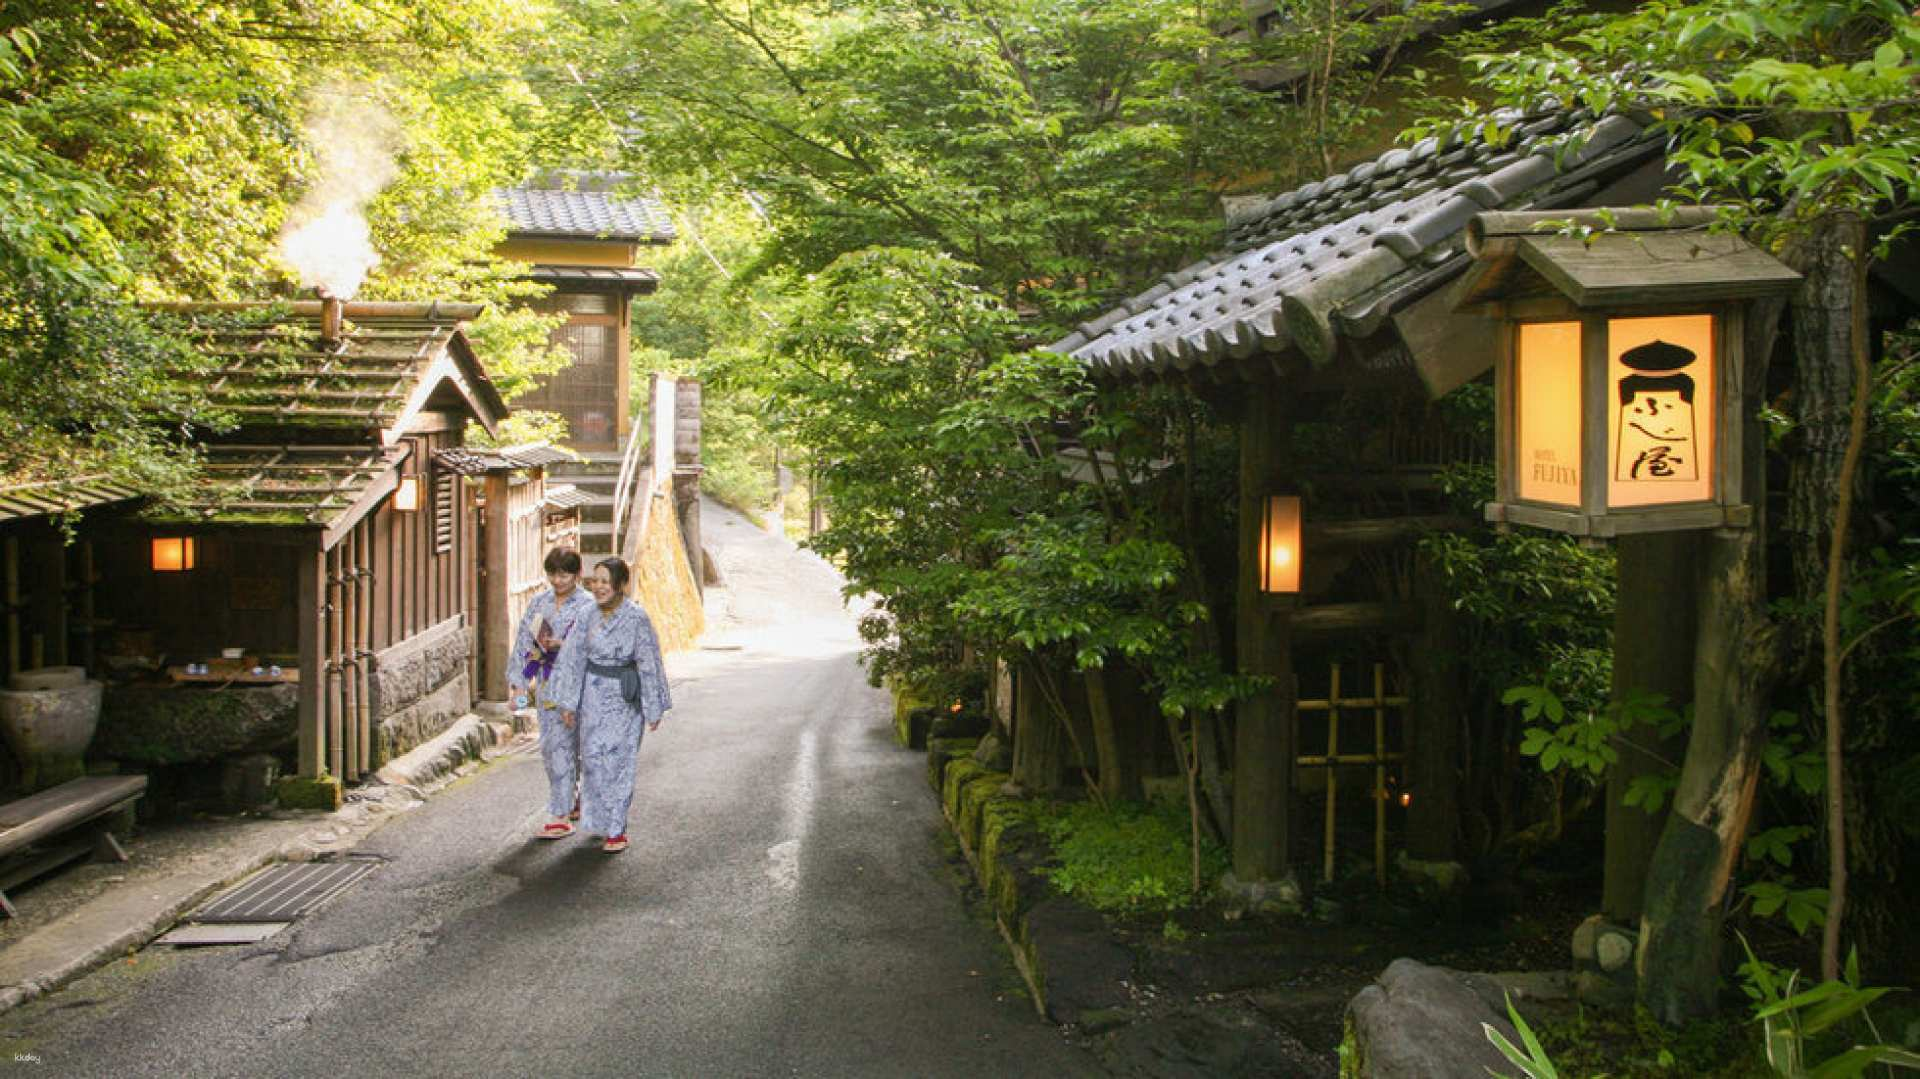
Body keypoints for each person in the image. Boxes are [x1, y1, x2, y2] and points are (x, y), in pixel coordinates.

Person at [549, 557, 671, 854]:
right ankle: (600, 820)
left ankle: (617, 828)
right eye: (596, 580)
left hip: (623, 698)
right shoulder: (587, 614)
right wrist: (567, 702)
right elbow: (573, 658)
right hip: (592, 695)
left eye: (605, 581)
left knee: (618, 761)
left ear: (620, 584)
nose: (599, 587)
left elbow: (648, 662)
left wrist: (652, 705)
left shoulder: (635, 617)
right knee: (593, 760)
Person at [508, 546, 598, 840]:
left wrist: (566, 645)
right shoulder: (539, 603)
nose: (558, 581)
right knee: (553, 747)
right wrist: (520, 687)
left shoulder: (589, 605)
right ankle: (560, 813)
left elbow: (596, 645)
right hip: (547, 684)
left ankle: (579, 797)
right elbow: (526, 643)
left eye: (564, 574)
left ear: (577, 574)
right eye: (553, 574)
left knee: (585, 747)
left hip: (580, 685)